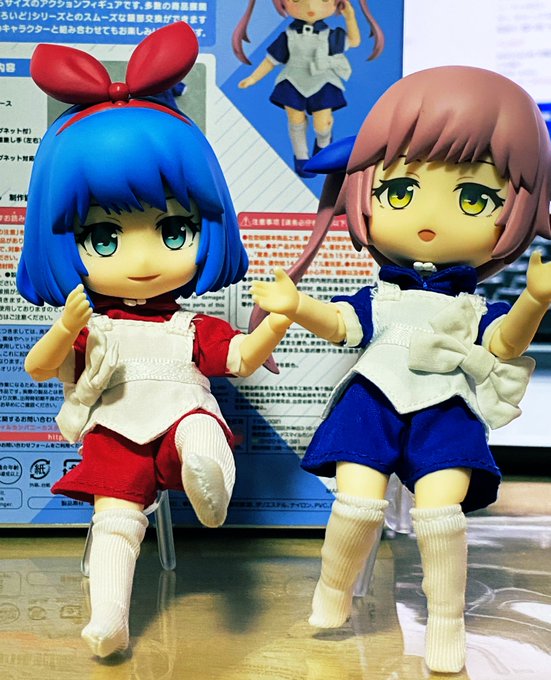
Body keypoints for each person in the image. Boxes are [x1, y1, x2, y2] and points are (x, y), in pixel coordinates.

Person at [250, 65, 551, 672]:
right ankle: (333, 589)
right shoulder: (381, 296)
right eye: (399, 191)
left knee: (440, 515)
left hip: (447, 413)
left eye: (474, 199)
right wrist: (296, 305)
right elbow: (343, 325)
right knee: (357, 503)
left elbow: (502, 345)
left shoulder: (473, 307)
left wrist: (533, 301)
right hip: (374, 403)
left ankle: (446, 621)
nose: (428, 216)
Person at [18, 22, 291, 659]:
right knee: (115, 515)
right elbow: (38, 368)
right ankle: (108, 619)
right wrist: (64, 328)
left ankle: (210, 481)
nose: (142, 260)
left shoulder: (189, 325)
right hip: (116, 429)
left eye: (173, 231)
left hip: (179, 419)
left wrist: (276, 323)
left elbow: (239, 360)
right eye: (104, 238)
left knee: (199, 426)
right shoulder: (94, 325)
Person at [233, 0, 383, 177]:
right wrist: (253, 78)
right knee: (295, 120)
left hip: (323, 81)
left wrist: (350, 17)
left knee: (323, 123)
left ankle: (324, 149)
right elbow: (271, 61)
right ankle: (301, 157)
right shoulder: (289, 35)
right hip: (293, 80)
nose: (311, 7)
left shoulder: (330, 35)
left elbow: (354, 41)